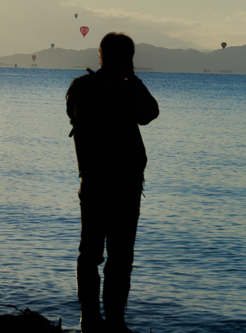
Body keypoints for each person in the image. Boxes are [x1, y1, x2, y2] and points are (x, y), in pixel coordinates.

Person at [66, 32, 159, 333]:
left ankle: (90, 320)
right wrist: (131, 78)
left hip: (92, 180)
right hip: (124, 184)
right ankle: (115, 322)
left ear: (101, 54)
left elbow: (71, 111)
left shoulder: (81, 87)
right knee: (120, 258)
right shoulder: (125, 89)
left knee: (90, 254)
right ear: (128, 59)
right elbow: (150, 112)